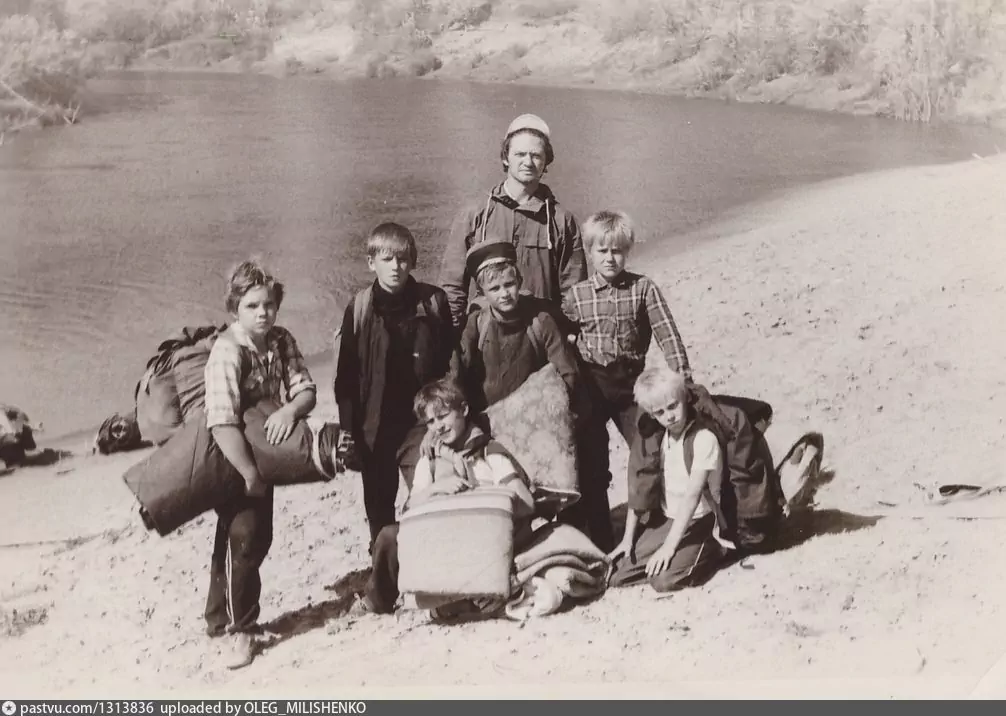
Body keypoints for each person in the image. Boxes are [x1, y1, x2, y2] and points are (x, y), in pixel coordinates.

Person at [203, 258, 322, 669]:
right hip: (232, 456)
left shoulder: (280, 340)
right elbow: (220, 422)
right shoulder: (227, 352)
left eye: (268, 304)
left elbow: (306, 389)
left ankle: (219, 619)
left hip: (262, 451)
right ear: (234, 308)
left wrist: (290, 412)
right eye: (252, 305)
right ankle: (242, 632)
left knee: (240, 537)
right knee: (247, 536)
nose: (262, 313)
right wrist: (249, 474)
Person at [457, 241, 607, 546]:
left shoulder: (540, 319)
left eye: (509, 284)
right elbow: (458, 373)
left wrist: (557, 412)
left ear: (520, 282)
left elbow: (566, 372)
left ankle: (577, 532)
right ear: (483, 294)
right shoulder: (478, 323)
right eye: (495, 288)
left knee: (572, 474)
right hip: (491, 420)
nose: (504, 293)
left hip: (538, 418)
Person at [562, 210, 692, 540]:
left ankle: (654, 521)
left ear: (628, 251)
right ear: (589, 253)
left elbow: (667, 334)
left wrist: (683, 377)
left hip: (631, 385)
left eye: (617, 250)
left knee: (649, 449)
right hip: (592, 385)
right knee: (592, 461)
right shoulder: (576, 296)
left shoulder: (643, 288)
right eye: (602, 251)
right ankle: (602, 534)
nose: (610, 258)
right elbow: (560, 340)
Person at [359, 378, 535, 616]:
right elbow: (410, 511)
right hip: (441, 539)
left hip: (480, 538)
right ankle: (378, 601)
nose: (438, 427)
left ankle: (459, 599)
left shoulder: (487, 452)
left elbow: (526, 502)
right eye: (430, 421)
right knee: (389, 536)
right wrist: (436, 489)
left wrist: (477, 499)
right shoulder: (430, 460)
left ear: (463, 410)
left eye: (443, 416)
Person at [334, 222, 460, 551]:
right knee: (378, 511)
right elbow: (345, 379)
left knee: (428, 493)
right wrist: (349, 432)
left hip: (420, 424)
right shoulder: (359, 308)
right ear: (371, 262)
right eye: (387, 259)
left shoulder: (433, 303)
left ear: (413, 262)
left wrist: (441, 422)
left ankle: (432, 564)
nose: (395, 267)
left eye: (403, 259)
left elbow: (451, 366)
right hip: (372, 429)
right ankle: (385, 577)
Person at [438, 113, 586, 330]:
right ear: (506, 158)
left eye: (536, 155)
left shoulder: (562, 220)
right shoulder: (474, 214)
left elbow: (573, 291)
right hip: (484, 336)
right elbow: (452, 285)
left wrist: (566, 338)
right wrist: (451, 336)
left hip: (541, 337)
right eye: (520, 154)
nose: (528, 162)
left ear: (546, 161)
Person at [608, 365, 736, 592]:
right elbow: (640, 485)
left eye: (673, 406)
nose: (669, 416)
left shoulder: (703, 438)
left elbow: (692, 495)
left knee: (664, 581)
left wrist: (669, 547)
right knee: (618, 576)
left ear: (683, 398)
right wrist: (628, 538)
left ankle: (715, 549)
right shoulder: (658, 438)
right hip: (668, 518)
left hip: (700, 521)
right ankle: (673, 553)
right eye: (659, 412)